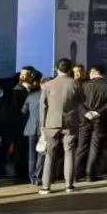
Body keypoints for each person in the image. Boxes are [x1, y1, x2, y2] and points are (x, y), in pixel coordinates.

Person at [39, 60, 81, 193]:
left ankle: (46, 186)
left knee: (49, 155)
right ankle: (69, 185)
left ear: (56, 68)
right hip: (70, 123)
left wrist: (42, 125)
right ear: (70, 69)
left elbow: (43, 106)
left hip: (51, 123)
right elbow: (81, 101)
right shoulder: (75, 83)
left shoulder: (47, 85)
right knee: (69, 153)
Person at [77, 64, 107, 182]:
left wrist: (86, 112)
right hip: (101, 120)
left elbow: (78, 101)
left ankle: (75, 174)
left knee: (81, 147)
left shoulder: (84, 85)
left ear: (93, 72)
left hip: (85, 120)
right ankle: (90, 174)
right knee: (95, 148)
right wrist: (98, 112)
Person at [20, 71, 42, 184]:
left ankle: (31, 177)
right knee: (41, 154)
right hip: (42, 129)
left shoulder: (31, 96)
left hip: (30, 128)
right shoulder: (47, 95)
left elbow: (23, 111)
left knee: (31, 155)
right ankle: (37, 176)